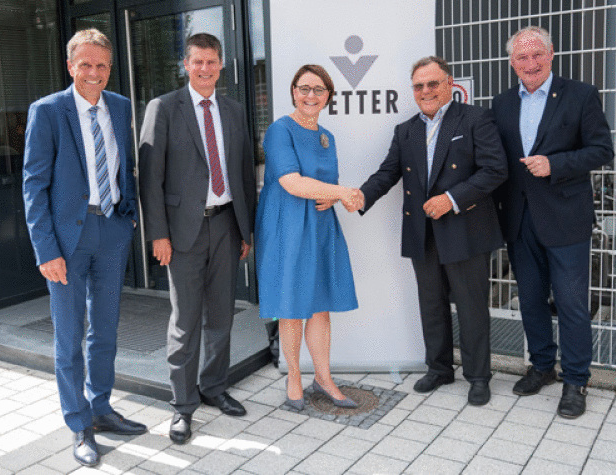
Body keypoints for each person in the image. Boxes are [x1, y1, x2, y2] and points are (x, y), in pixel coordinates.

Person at [354, 56, 508, 406]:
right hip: (422, 232)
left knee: (471, 307)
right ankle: (439, 369)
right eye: (419, 86)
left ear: (449, 84)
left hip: (464, 228)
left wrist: (451, 199)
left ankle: (478, 376)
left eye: (432, 83)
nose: (426, 91)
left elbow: (495, 170)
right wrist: (362, 195)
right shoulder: (405, 129)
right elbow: (387, 172)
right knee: (431, 305)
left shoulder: (475, 119)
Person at [22, 29, 145, 467]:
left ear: (110, 69)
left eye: (102, 66)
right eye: (86, 65)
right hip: (66, 242)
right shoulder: (48, 112)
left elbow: (125, 165)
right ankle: (79, 424)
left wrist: (128, 215)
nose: (94, 73)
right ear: (71, 66)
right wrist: (45, 250)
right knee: (69, 335)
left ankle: (102, 408)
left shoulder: (121, 106)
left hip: (111, 232)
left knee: (105, 330)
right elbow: (34, 186)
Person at [139, 33, 256, 443]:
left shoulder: (234, 110)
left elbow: (243, 172)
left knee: (221, 315)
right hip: (183, 232)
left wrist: (247, 229)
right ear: (185, 65)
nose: (205, 69)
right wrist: (158, 235)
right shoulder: (164, 108)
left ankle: (215, 387)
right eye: (197, 62)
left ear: (221, 65)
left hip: (226, 225)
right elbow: (150, 180)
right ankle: (182, 406)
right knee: (185, 323)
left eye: (212, 62)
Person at [492, 26, 614, 418]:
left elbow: (602, 150)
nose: (530, 63)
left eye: (537, 55)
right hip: (519, 218)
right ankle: (542, 366)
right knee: (530, 299)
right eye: (521, 58)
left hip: (566, 218)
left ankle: (576, 379)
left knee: (572, 303)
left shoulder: (580, 95)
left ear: (551, 54)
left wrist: (556, 164)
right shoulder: (502, 103)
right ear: (512, 62)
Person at [255, 64, 361, 410]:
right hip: (287, 225)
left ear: (328, 96)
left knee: (319, 307)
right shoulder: (279, 130)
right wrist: (343, 191)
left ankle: (323, 377)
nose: (310, 95)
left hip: (319, 224)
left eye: (318, 89)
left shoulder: (326, 135)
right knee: (291, 307)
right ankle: (294, 378)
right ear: (293, 92)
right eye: (304, 88)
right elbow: (291, 181)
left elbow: (325, 183)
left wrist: (335, 196)